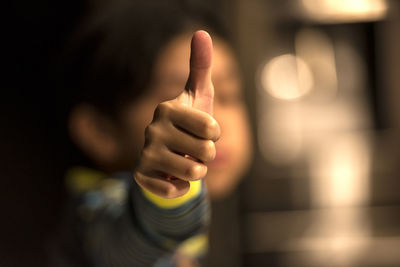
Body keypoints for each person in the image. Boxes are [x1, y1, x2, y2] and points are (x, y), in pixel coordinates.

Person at [52, 0, 252, 266]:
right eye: (178, 101)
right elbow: (130, 244)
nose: (213, 124)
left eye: (228, 95)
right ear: (101, 132)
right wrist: (163, 192)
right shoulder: (91, 214)